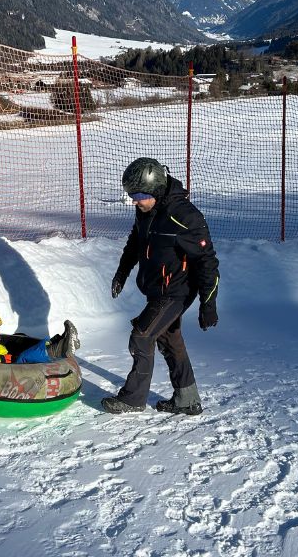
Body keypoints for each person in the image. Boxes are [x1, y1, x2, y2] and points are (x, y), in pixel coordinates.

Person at [102, 157, 219, 416]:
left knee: (142, 336)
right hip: (158, 289)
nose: (135, 201)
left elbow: (207, 262)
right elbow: (136, 241)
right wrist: (122, 271)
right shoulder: (147, 211)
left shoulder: (185, 216)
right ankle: (187, 400)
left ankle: (133, 399)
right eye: (131, 196)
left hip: (177, 291)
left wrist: (208, 304)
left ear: (155, 190)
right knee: (169, 338)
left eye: (138, 196)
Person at [0, 311, 79, 364]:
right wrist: (5, 358)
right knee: (25, 357)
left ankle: (57, 343)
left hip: (7, 365)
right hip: (6, 374)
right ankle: (57, 349)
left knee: (25, 347)